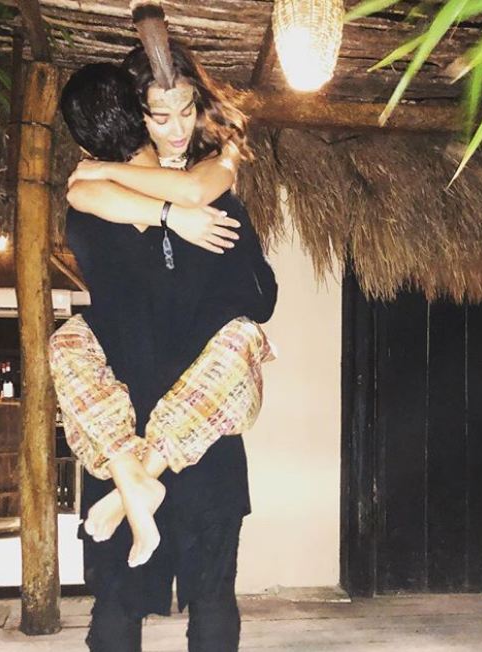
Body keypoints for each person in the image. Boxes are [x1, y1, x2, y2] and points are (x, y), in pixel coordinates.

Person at [54, 47, 277, 652]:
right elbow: (260, 299)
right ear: (138, 115)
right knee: (202, 600)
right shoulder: (208, 206)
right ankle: (138, 476)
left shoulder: (92, 208)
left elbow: (89, 191)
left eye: (185, 111)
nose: (176, 128)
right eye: (160, 115)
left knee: (127, 605)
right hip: (189, 431)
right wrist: (175, 218)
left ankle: (136, 479)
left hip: (133, 429)